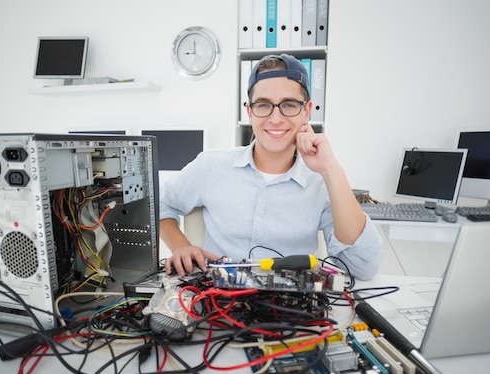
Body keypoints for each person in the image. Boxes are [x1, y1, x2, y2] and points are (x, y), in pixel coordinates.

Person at [159, 54, 383, 280]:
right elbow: (160, 204)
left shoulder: (322, 181)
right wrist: (180, 246)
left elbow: (362, 269)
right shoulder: (210, 166)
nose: (276, 119)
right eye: (264, 105)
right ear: (249, 112)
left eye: (289, 105)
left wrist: (331, 170)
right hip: (218, 299)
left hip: (293, 306)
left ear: (306, 111)